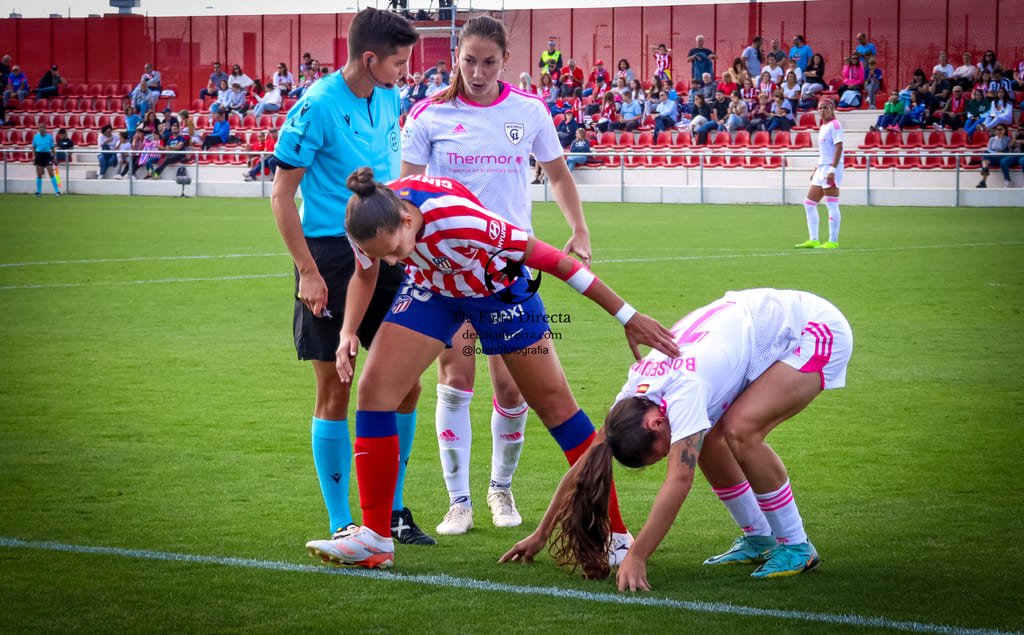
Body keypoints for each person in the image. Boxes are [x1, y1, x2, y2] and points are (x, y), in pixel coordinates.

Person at [304, 168, 680, 569]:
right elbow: (366, 275)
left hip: (500, 293)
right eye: (386, 256)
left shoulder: (461, 219)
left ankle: (616, 535)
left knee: (556, 409)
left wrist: (627, 316)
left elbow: (557, 262)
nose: (394, 261)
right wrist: (348, 331)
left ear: (408, 221)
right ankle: (376, 538)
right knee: (374, 391)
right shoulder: (364, 218)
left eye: (395, 250)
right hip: (434, 291)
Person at [500, 288, 852, 588]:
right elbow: (586, 464)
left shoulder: (686, 390)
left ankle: (797, 546)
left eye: (663, 449)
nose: (672, 451)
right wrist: (541, 534)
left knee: (741, 431)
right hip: (761, 322)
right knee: (707, 440)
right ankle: (760, 538)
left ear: (656, 423)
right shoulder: (632, 396)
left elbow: (680, 479)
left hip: (813, 328)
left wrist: (637, 556)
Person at [400, 15, 600, 535]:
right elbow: (406, 193)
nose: (478, 72)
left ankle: (500, 489)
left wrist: (578, 229)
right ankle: (459, 501)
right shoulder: (428, 114)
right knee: (455, 380)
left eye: (489, 62)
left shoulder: (529, 111)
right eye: (469, 60)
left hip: (510, 269)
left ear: (505, 61)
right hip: (448, 270)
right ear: (456, 57)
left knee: (511, 389)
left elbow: (558, 175)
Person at [269, 8, 434, 552]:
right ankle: (342, 520)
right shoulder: (316, 106)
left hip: (386, 248)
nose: (405, 72)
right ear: (369, 58)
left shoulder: (389, 96)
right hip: (329, 257)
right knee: (335, 388)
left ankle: (393, 511)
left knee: (405, 384)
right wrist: (309, 273)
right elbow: (280, 197)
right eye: (399, 62)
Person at [795, 100, 843, 249]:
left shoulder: (835, 125)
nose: (822, 111)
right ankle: (814, 239)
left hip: (830, 168)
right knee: (809, 203)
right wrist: (816, 168)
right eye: (820, 108)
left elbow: (839, 147)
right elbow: (824, 151)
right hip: (821, 168)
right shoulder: (823, 127)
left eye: (825, 108)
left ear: (832, 109)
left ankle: (833, 241)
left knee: (831, 204)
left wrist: (832, 169)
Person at [976, 123, 1011, 189]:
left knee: (985, 158)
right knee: (985, 154)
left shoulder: (1007, 139)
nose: (999, 131)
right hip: (993, 157)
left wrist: (1001, 137)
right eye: (997, 129)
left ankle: (983, 179)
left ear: (1004, 130)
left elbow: (1002, 147)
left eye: (1000, 129)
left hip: (1001, 157)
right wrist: (995, 153)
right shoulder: (992, 139)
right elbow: (988, 149)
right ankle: (984, 177)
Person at [31, 122, 60, 196]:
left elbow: (52, 148)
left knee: (51, 173)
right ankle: (39, 192)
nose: (41, 129)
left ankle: (57, 191)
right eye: (40, 127)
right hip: (39, 155)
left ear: (45, 129)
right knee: (39, 174)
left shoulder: (49, 137)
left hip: (47, 155)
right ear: (38, 129)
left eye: (43, 127)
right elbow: (33, 147)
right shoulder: (36, 137)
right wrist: (34, 156)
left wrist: (54, 157)